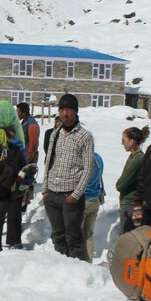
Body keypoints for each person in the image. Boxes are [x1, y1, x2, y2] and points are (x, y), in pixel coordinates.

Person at [42, 94, 95, 261]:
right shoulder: (55, 134)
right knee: (58, 237)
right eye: (62, 110)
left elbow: (88, 168)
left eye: (69, 110)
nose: (65, 114)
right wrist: (45, 190)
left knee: (73, 239)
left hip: (70, 196)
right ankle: (61, 271)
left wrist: (75, 195)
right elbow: (49, 161)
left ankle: (76, 274)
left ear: (76, 112)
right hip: (52, 194)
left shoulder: (85, 136)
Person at [115, 126, 149, 234]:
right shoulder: (133, 157)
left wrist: (119, 184)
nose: (122, 143)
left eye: (124, 140)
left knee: (128, 236)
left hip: (131, 203)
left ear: (132, 141)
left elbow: (122, 184)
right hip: (128, 201)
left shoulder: (138, 159)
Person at [81, 152, 105, 262]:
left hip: (82, 201)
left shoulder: (81, 159)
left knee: (77, 234)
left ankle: (76, 261)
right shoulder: (98, 158)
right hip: (95, 200)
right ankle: (88, 261)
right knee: (88, 234)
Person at [16, 102, 40, 213]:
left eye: (18, 111)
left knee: (26, 181)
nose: (17, 113)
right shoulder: (24, 123)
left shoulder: (32, 124)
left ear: (23, 112)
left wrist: (28, 158)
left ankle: (24, 205)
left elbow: (33, 143)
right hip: (23, 157)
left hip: (28, 158)